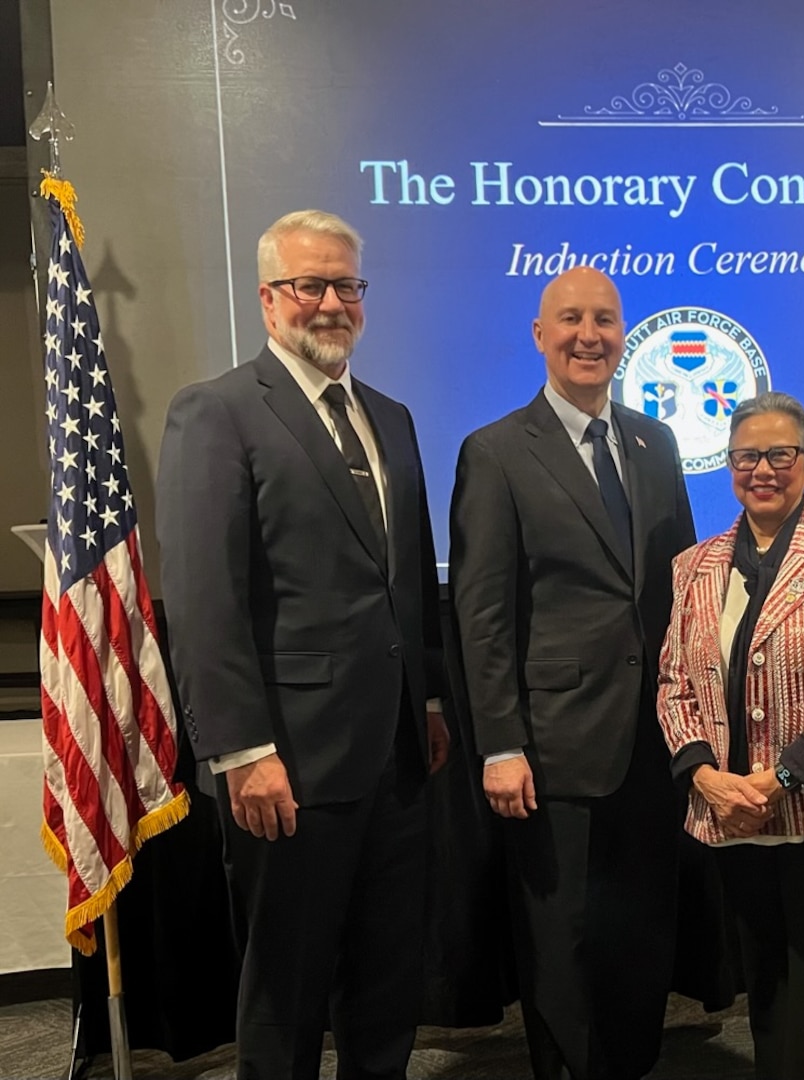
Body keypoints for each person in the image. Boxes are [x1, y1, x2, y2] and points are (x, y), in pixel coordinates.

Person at [156, 209, 450, 1080]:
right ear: (267, 297)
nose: (330, 303)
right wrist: (242, 752)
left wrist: (431, 698)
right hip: (287, 762)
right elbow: (204, 598)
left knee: (387, 976)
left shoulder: (391, 417)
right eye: (310, 285)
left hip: (396, 755)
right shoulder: (217, 412)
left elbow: (407, 580)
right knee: (286, 985)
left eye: (346, 286)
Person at [449, 266, 696, 1080]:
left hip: (653, 743)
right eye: (570, 319)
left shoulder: (655, 443)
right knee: (563, 942)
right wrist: (500, 744)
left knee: (641, 936)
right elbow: (482, 613)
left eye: (605, 319)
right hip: (552, 747)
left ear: (624, 333)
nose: (589, 335)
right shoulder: (494, 452)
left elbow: (681, 588)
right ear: (539, 334)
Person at [658, 391, 804, 1080]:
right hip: (733, 813)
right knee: (767, 991)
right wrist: (707, 778)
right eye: (746, 456)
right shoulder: (693, 566)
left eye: (780, 455)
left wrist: (781, 780)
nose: (762, 469)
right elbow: (674, 683)